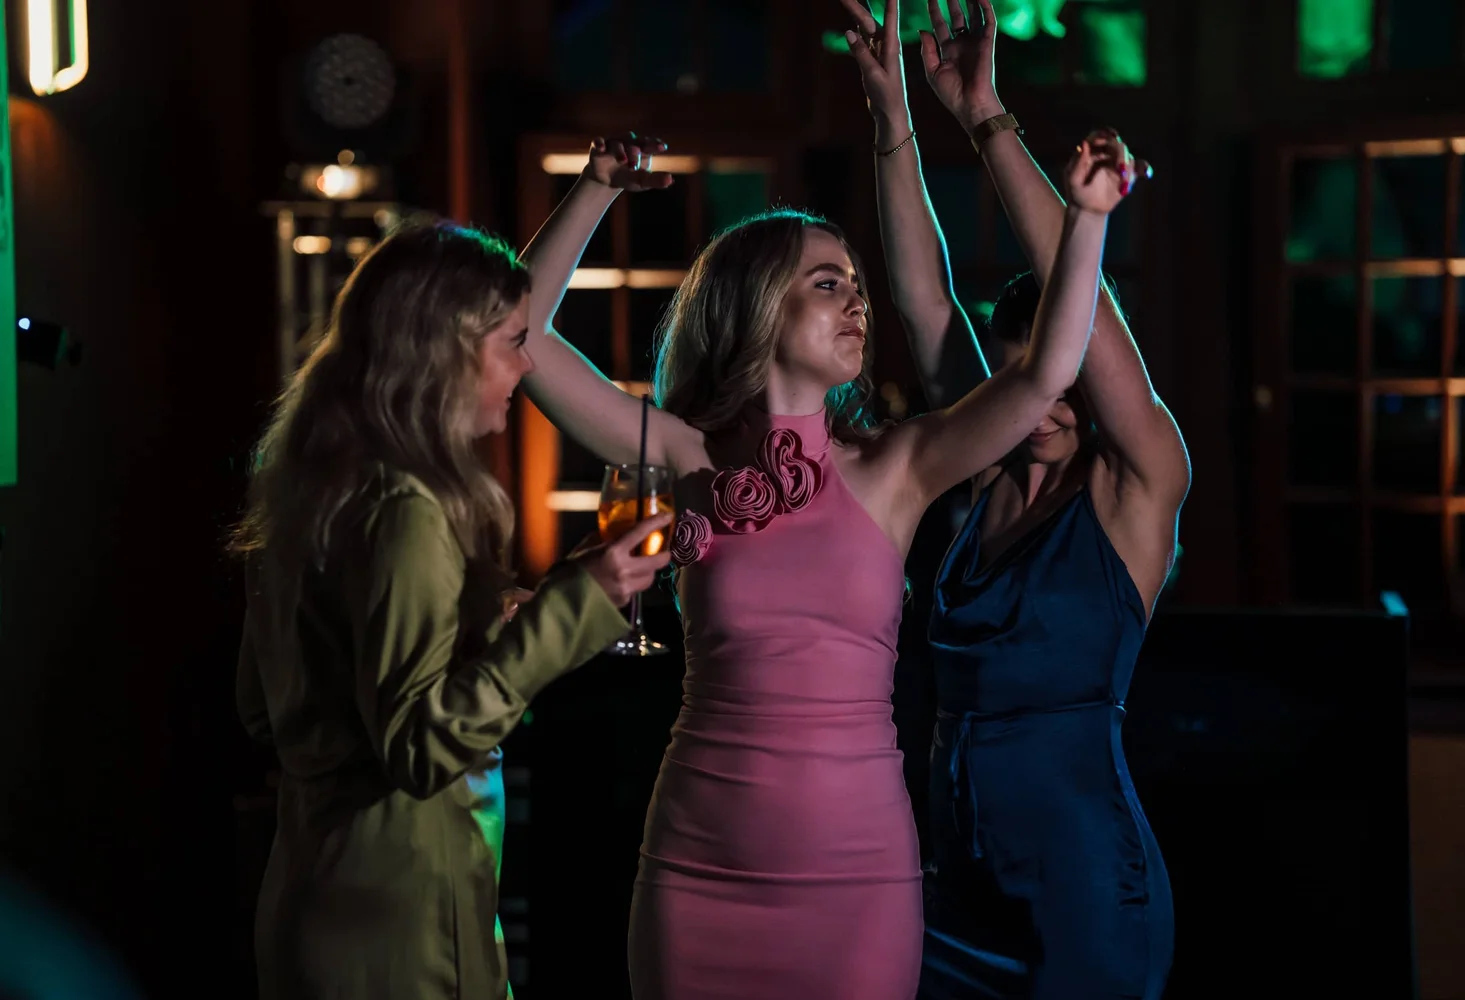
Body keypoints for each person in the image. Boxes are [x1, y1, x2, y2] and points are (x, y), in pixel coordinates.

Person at [515, 106, 1140, 999]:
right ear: (758, 306)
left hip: (857, 879)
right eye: (826, 283)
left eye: (856, 284)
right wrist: (594, 189)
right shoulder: (687, 458)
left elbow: (1045, 372)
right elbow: (525, 340)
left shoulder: (896, 467)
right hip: (697, 870)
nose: (857, 301)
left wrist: (1087, 220)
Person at [839, 0, 1190, 996]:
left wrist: (987, 116)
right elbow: (923, 302)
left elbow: (1086, 319)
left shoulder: (1137, 485)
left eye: (1063, 377)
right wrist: (894, 114)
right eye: (1019, 374)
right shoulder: (973, 478)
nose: (1044, 396)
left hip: (1086, 892)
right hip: (956, 881)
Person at [230, 222, 671, 1000]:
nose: (527, 365)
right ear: (446, 350)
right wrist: (578, 607)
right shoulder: (404, 509)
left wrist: (485, 628)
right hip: (405, 917)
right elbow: (421, 746)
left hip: (314, 894)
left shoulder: (309, 486)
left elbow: (264, 708)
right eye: (513, 341)